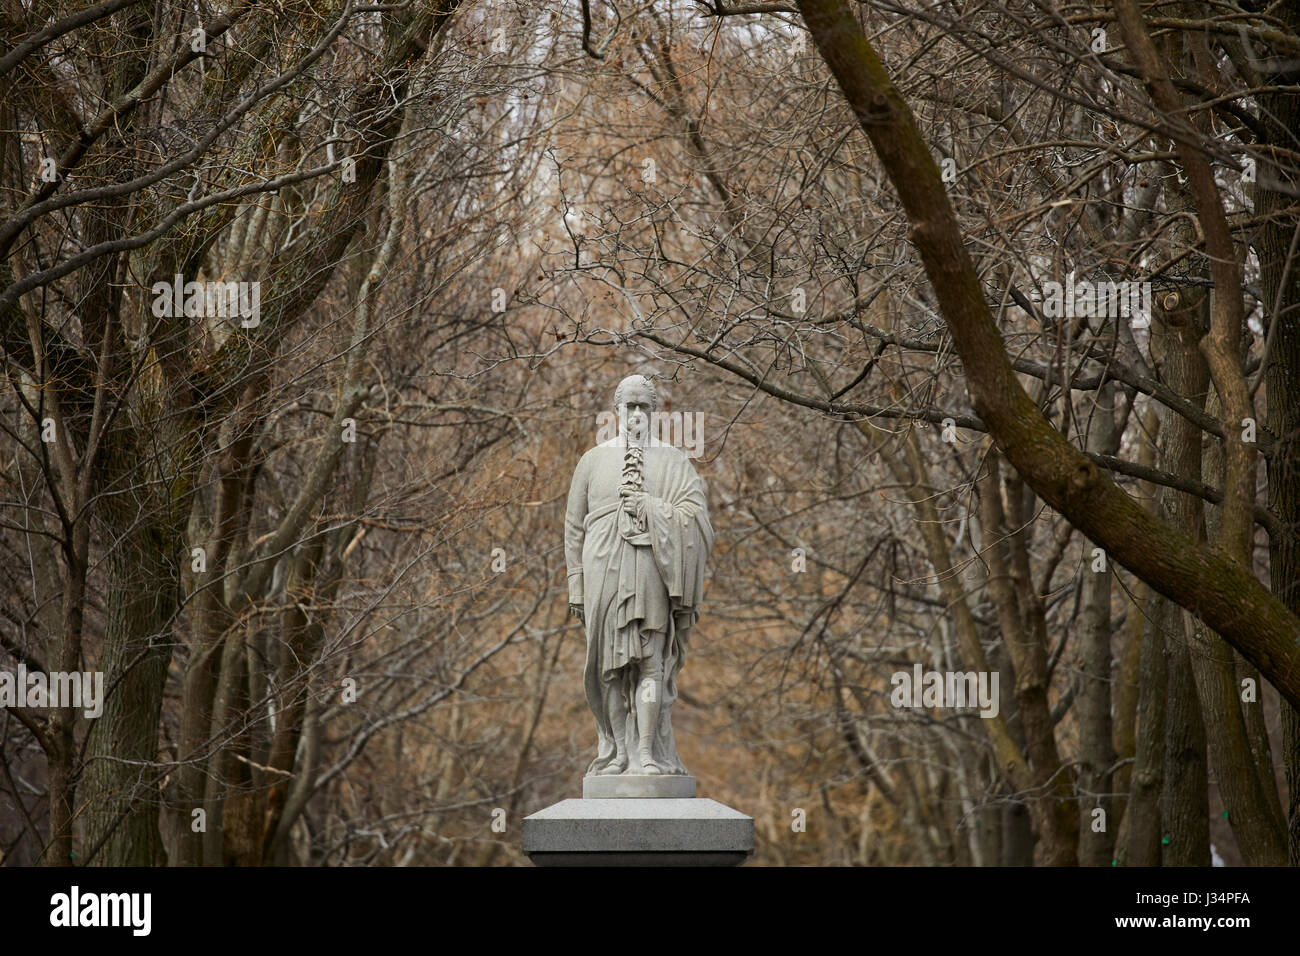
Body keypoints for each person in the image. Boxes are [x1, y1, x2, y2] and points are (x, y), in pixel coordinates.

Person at [564, 374, 713, 776]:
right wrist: (576, 585)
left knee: (650, 660)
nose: (635, 415)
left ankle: (647, 751)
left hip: (651, 567)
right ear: (616, 410)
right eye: (628, 406)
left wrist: (651, 507)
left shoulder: (674, 460)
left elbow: (696, 519)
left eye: (643, 407)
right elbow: (574, 526)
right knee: (608, 666)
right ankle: (617, 753)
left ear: (654, 411)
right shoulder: (592, 461)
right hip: (602, 570)